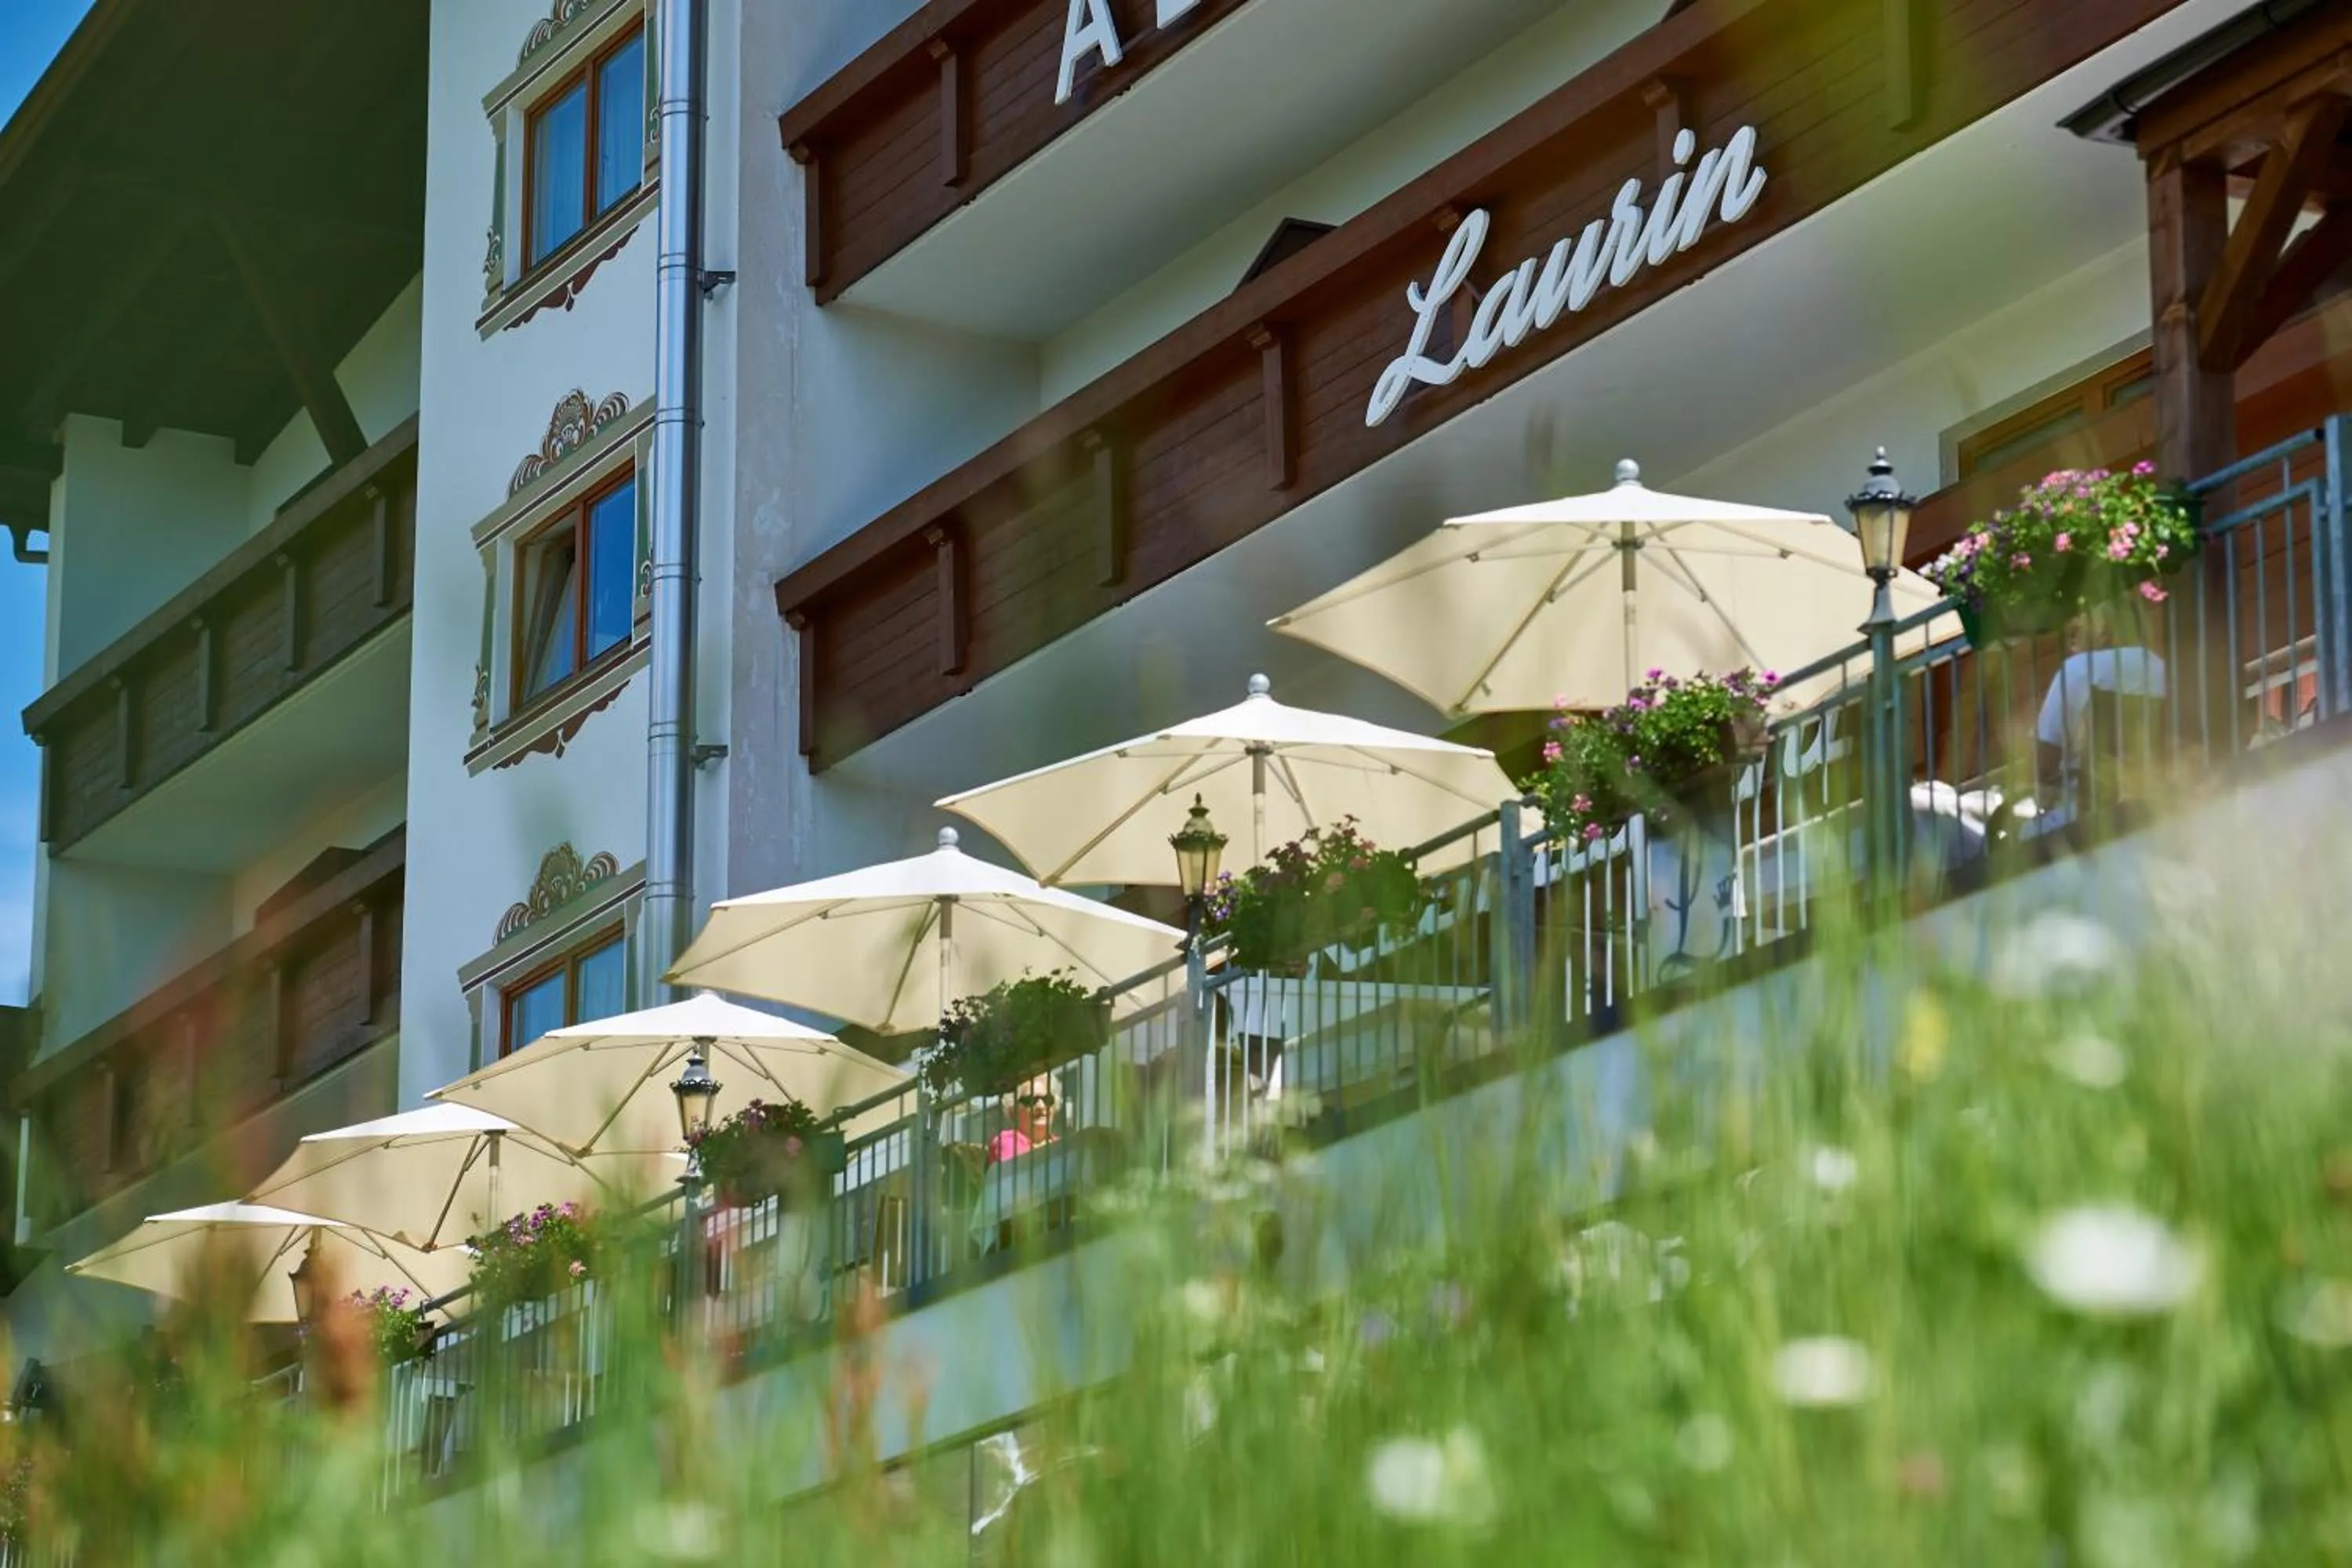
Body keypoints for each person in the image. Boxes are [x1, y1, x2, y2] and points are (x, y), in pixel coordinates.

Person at [2032, 601, 2165, 832]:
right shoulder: (2159, 666)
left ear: (2103, 629)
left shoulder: (2077, 670)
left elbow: (2044, 766)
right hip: (2155, 802)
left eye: (2075, 629)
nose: (2070, 637)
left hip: (2086, 816)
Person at [986, 1074, 1058, 1165]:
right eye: (1031, 1100)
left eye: (1047, 1100)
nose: (1041, 1106)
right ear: (1014, 1110)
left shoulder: (1061, 1144)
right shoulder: (1008, 1142)